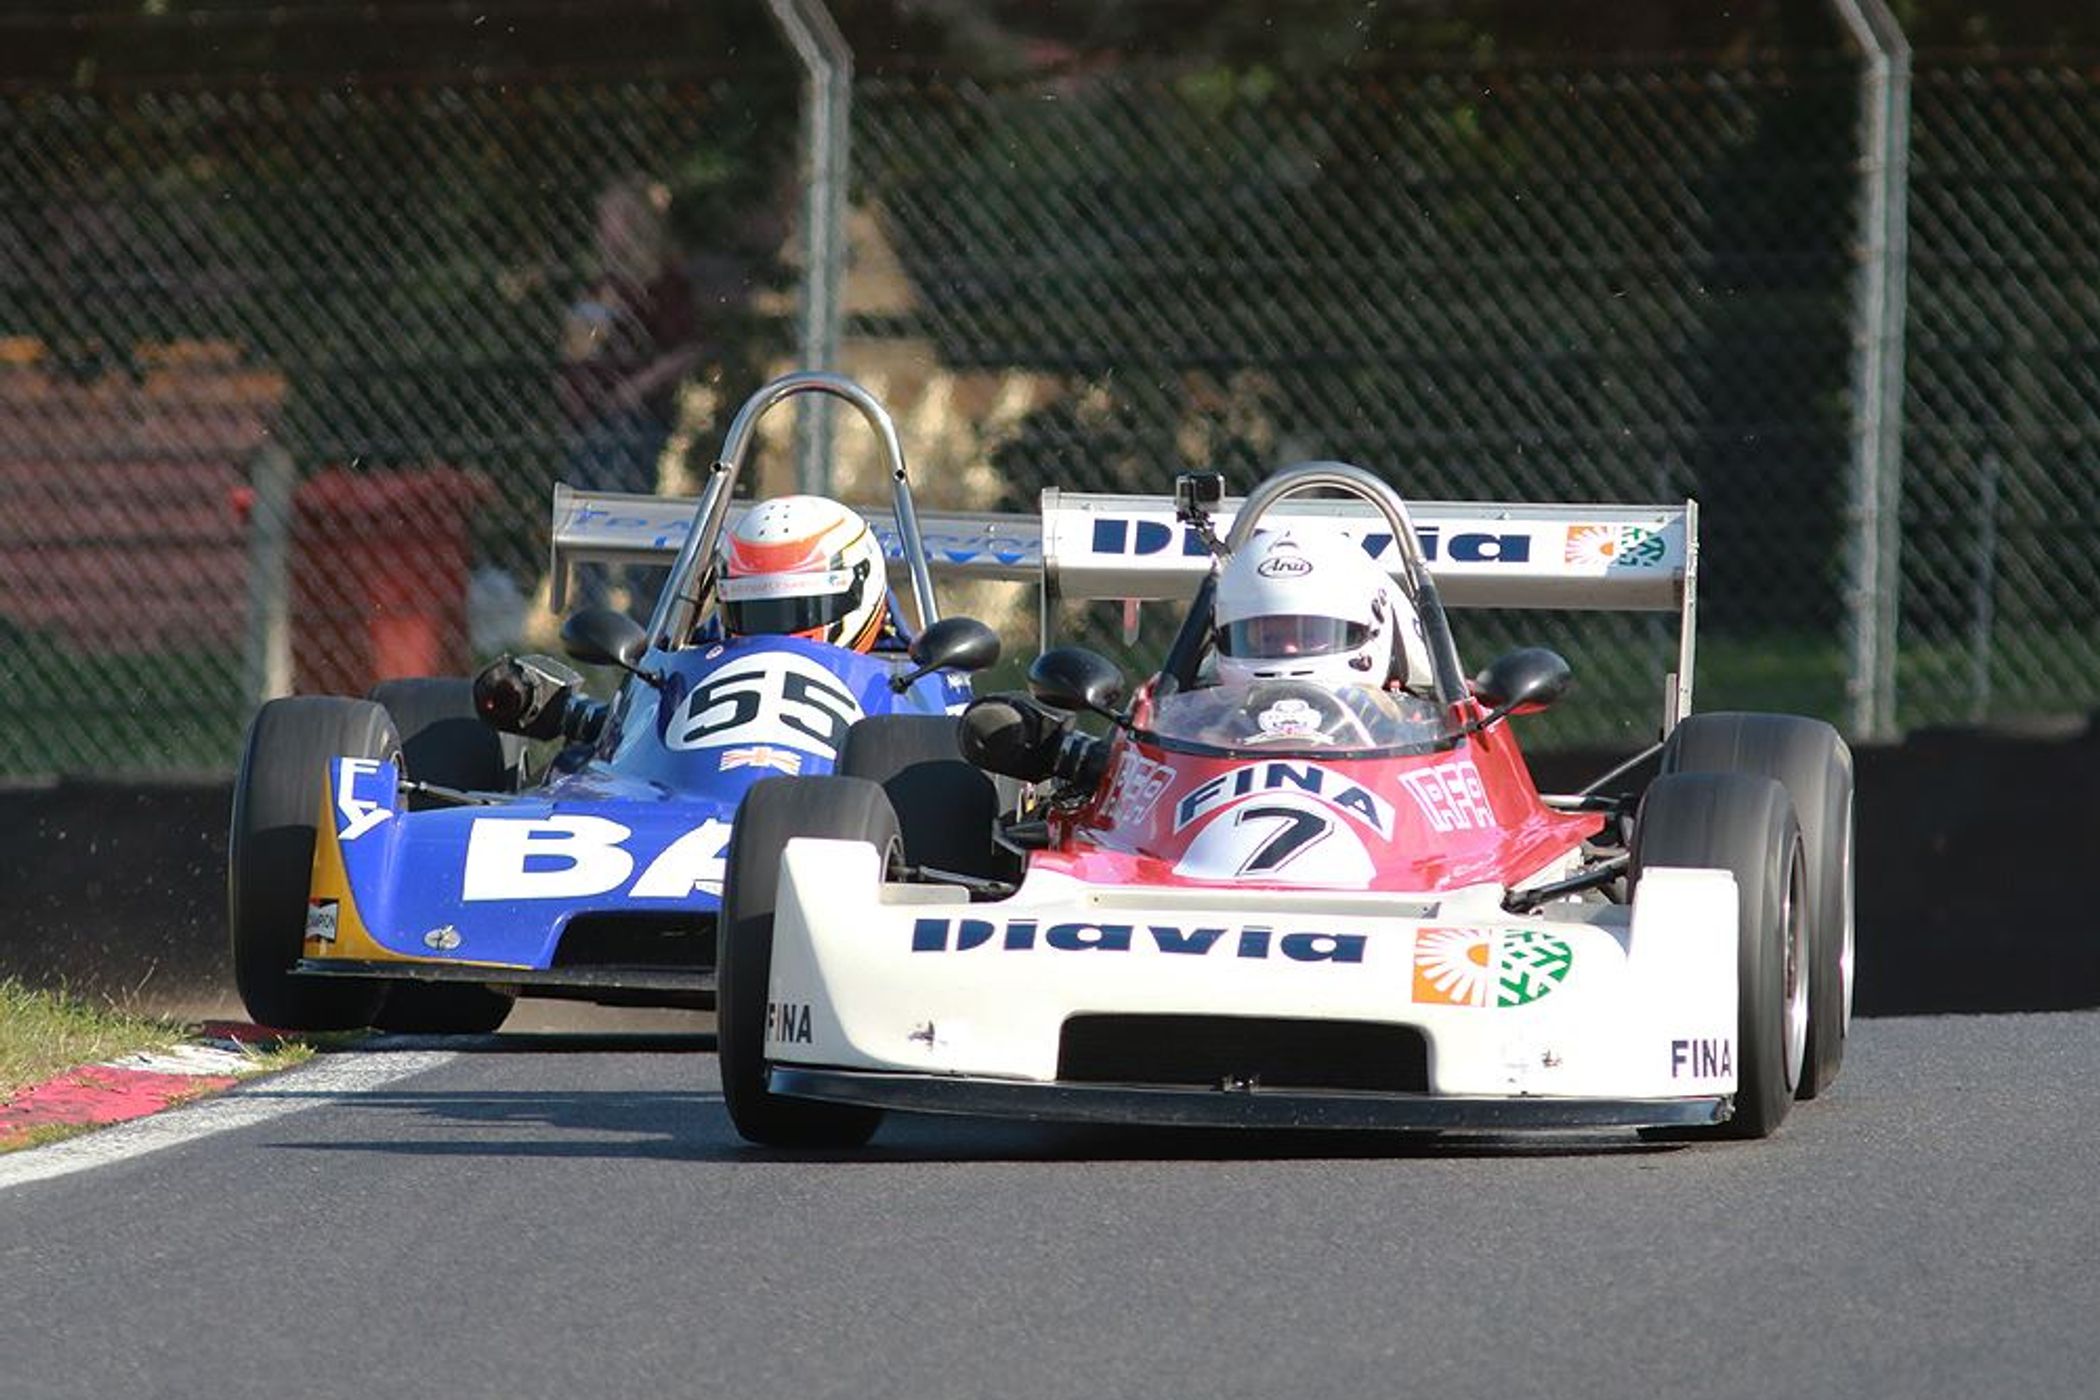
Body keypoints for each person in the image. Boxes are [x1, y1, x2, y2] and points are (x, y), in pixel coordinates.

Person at [558, 174, 700, 611]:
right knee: (585, 510)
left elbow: (687, 349)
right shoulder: (601, 284)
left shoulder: (662, 284)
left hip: (635, 418)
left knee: (633, 507)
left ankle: (641, 609)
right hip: (586, 415)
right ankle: (591, 608)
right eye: (604, 219)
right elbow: (575, 348)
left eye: (617, 218)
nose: (607, 229)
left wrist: (637, 389)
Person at [1211, 531, 1432, 694]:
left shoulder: (1411, 728)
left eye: (1308, 636)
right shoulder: (1207, 727)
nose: (1288, 649)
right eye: (1268, 639)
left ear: (1373, 629)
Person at [715, 495, 891, 652]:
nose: (778, 643)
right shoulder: (705, 659)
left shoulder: (900, 672)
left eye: (800, 611)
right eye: (757, 613)